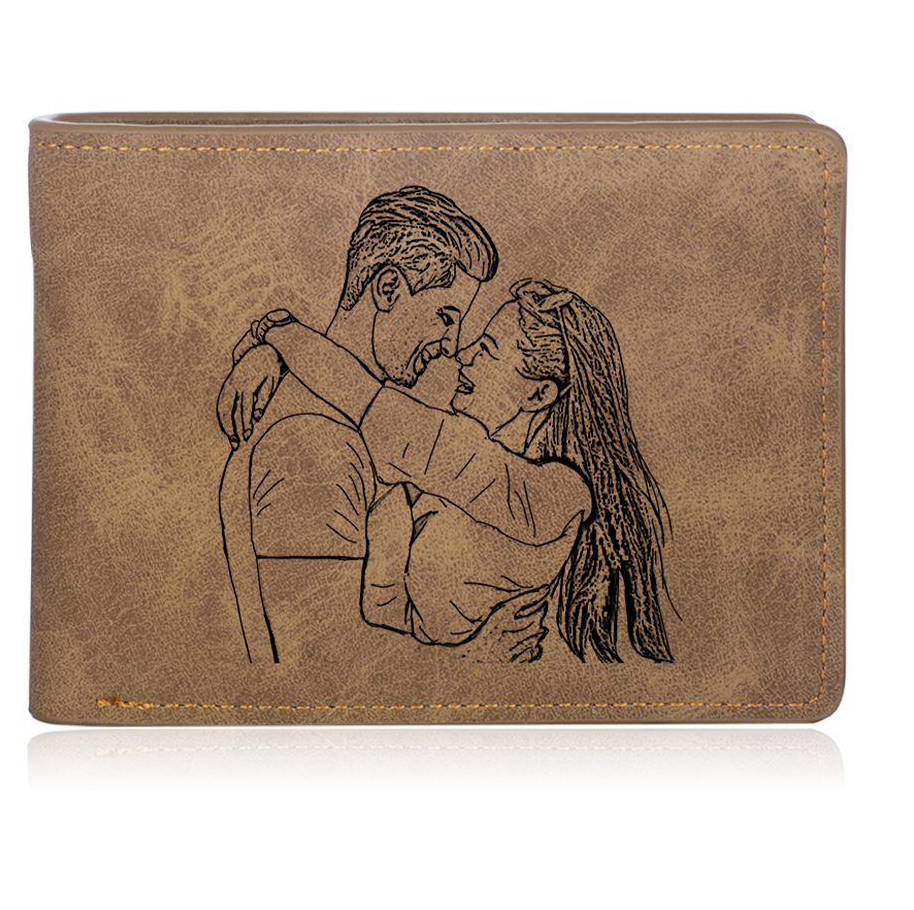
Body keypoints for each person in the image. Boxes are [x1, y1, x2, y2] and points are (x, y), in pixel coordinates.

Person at [233, 279, 675, 665]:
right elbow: (385, 611)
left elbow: (369, 402)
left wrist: (277, 332)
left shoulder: (557, 495)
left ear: (538, 394)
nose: (463, 356)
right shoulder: (453, 485)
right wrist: (270, 356)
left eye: (487, 350)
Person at [217, 186, 499, 662]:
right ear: (388, 289)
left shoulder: (335, 425)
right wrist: (481, 656)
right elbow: (326, 667)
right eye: (445, 317)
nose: (451, 345)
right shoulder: (314, 444)